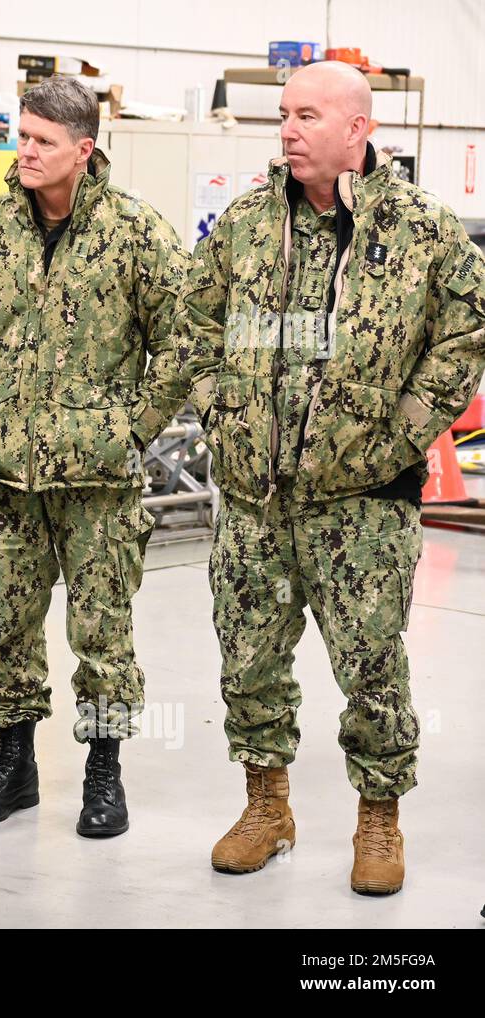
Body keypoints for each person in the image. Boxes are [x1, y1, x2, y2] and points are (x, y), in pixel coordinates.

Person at [178, 61, 485, 894]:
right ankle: (266, 806)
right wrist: (222, 411)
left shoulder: (422, 229)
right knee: (248, 664)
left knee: (373, 666)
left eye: (306, 116)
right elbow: (192, 322)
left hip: (362, 506)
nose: (287, 131)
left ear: (357, 128)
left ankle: (378, 818)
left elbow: (464, 335)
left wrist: (402, 434)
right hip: (254, 499)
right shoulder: (246, 225)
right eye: (283, 116)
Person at [0, 77, 189, 836]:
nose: (26, 151)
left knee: (103, 632)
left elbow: (185, 339)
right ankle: (14, 767)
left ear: (84, 149)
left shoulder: (137, 233)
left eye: (43, 141)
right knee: (8, 624)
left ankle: (103, 773)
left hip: (99, 481)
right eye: (22, 134)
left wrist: (135, 427)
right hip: (6, 473)